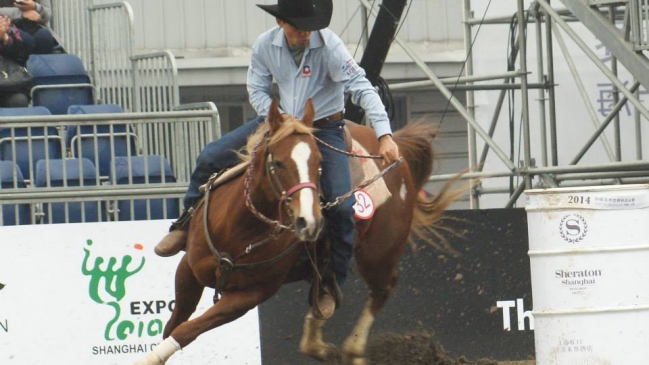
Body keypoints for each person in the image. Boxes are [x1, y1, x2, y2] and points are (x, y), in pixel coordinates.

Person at [155, 0, 400, 319]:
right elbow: (256, 89)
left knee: (341, 207)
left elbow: (362, 88)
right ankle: (185, 224)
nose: (305, 33)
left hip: (323, 128)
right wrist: (275, 116)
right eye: (299, 27)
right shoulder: (264, 45)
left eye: (309, 27)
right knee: (209, 156)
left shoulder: (331, 47)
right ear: (282, 23)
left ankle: (330, 282)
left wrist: (384, 133)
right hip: (279, 123)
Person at [0, 14, 30, 107]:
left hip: (6, 85)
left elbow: (22, 57)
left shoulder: (9, 28)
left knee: (19, 100)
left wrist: (5, 39)